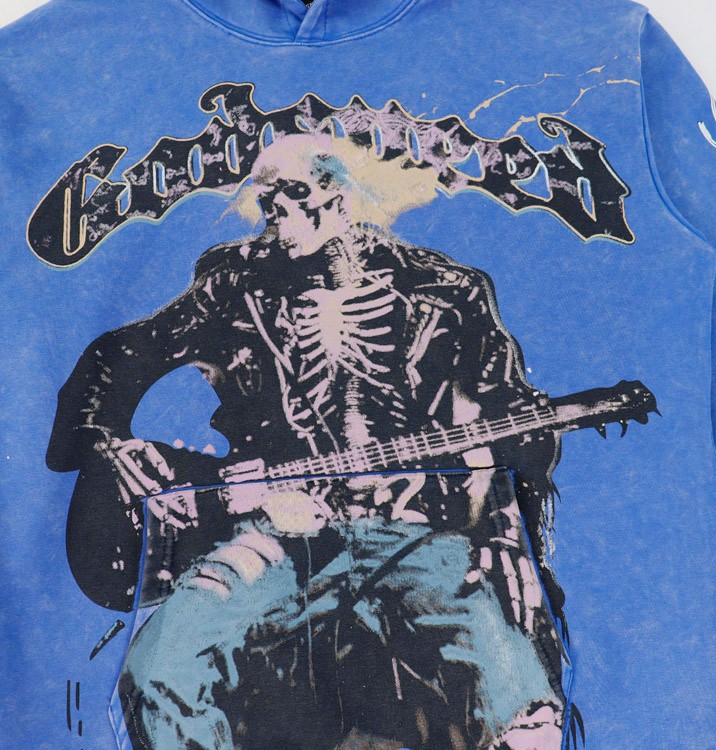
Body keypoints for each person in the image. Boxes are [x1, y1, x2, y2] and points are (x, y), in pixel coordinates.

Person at [47, 131, 570, 749]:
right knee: (159, 668)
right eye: (267, 202)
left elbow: (513, 423)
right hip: (275, 532)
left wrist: (505, 529)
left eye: (290, 198)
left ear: (339, 201)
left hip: (416, 533)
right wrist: (107, 444)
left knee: (522, 702)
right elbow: (119, 354)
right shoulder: (236, 282)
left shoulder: (448, 291)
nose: (274, 216)